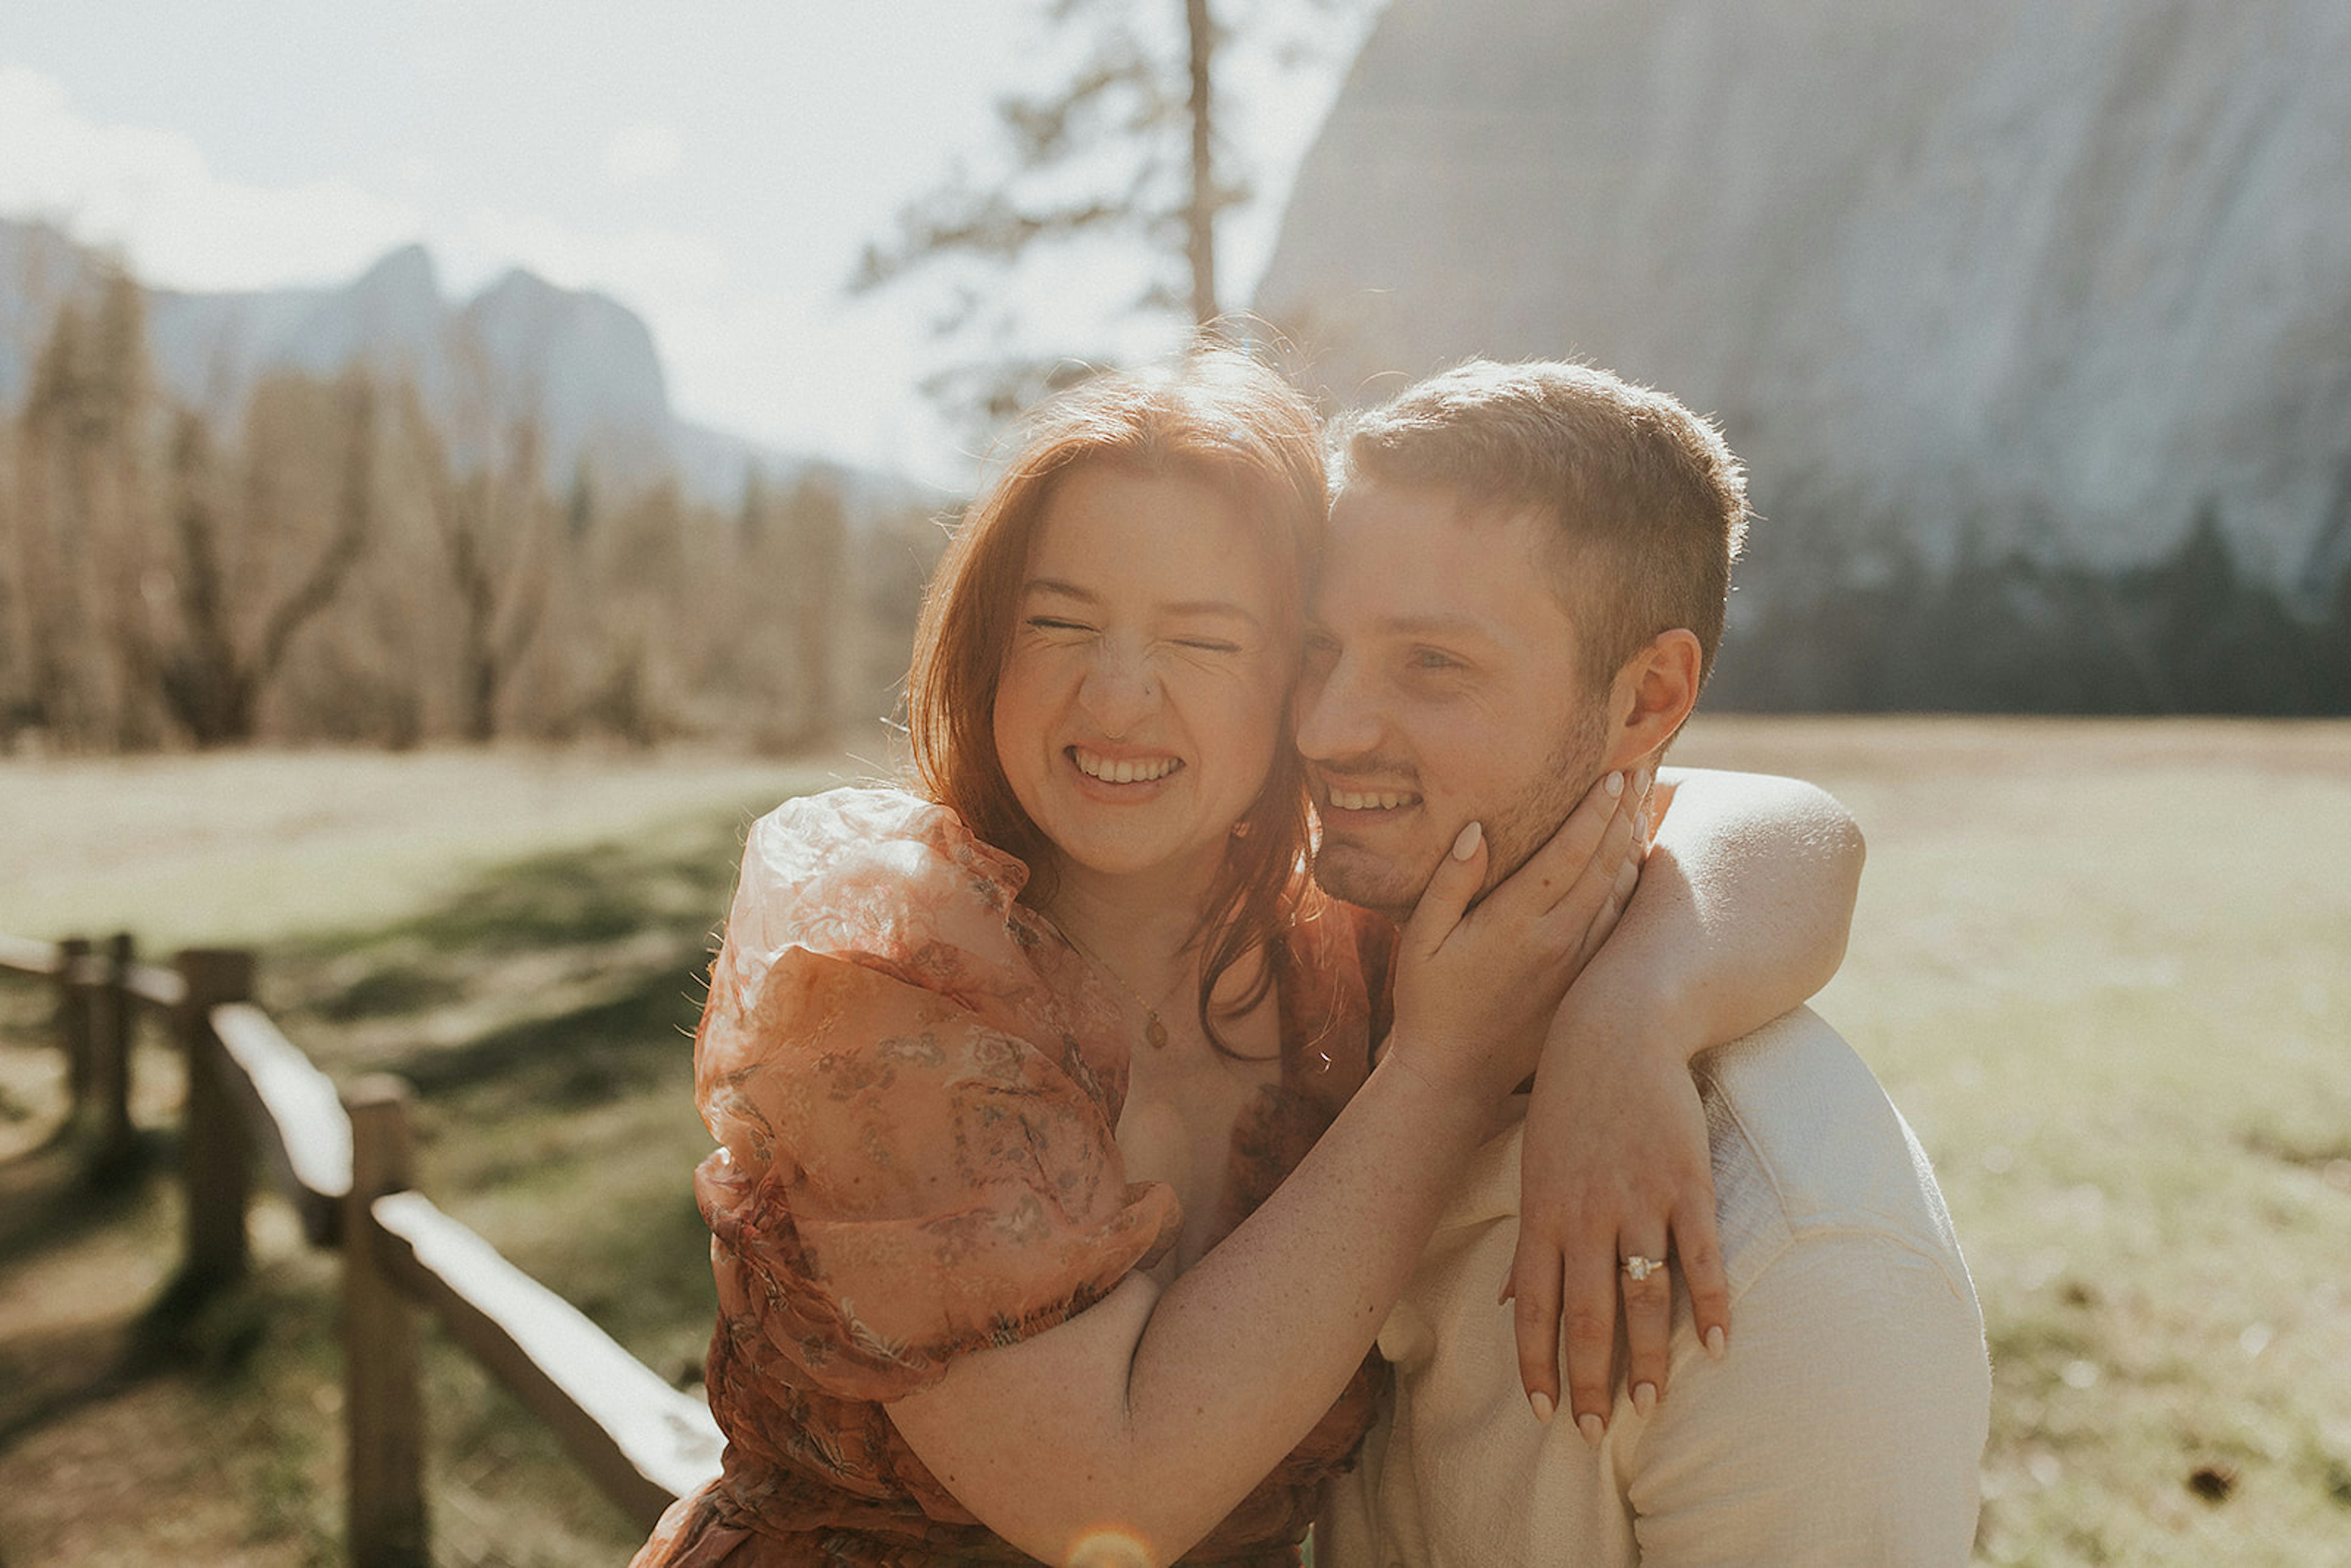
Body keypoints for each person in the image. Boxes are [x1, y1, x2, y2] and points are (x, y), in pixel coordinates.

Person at [632, 347, 1862, 1568]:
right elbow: (1106, 1500)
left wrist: (1632, 1019)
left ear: (1295, 669)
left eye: (1205, 640)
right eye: (1058, 621)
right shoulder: (893, 962)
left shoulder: (1345, 930)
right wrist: (1442, 1069)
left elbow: (1799, 835)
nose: (1115, 698)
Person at [1302, 359, 1992, 1566]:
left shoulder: (1789, 1271)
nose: (1324, 728)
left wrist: (1627, 1014)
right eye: (1317, 650)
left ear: (1647, 699)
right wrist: (1627, 1006)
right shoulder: (1316, 973)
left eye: (1433, 665)